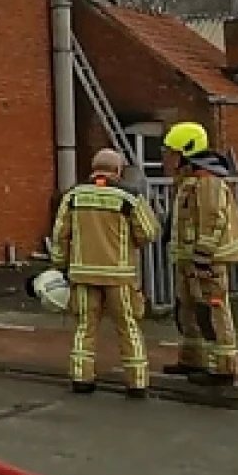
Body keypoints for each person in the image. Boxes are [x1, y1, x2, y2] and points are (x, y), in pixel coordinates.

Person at [49, 149, 160, 398]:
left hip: (82, 275)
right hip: (118, 276)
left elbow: (60, 235)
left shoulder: (73, 196)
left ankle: (82, 378)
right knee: (128, 327)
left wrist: (59, 265)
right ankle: (137, 382)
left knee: (84, 328)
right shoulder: (129, 198)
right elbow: (148, 232)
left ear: (93, 167)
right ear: (118, 170)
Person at [159, 121, 238, 387]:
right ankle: (192, 358)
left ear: (187, 152)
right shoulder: (189, 180)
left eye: (172, 152)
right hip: (189, 260)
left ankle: (223, 367)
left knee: (212, 311)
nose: (168, 158)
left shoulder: (207, 182)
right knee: (188, 310)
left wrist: (202, 257)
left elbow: (212, 221)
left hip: (205, 262)